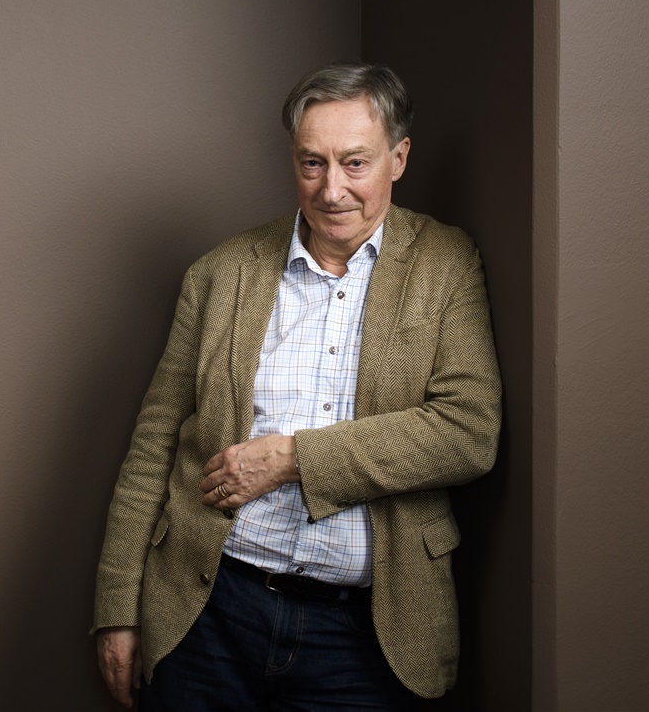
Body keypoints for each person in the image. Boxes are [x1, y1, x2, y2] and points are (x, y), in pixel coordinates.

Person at [92, 63, 502, 709]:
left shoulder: (446, 264)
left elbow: (468, 432)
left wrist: (291, 460)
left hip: (367, 634)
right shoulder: (220, 273)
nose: (332, 189)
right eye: (312, 163)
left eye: (355, 163)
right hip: (209, 615)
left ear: (398, 158)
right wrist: (118, 607)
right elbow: (154, 444)